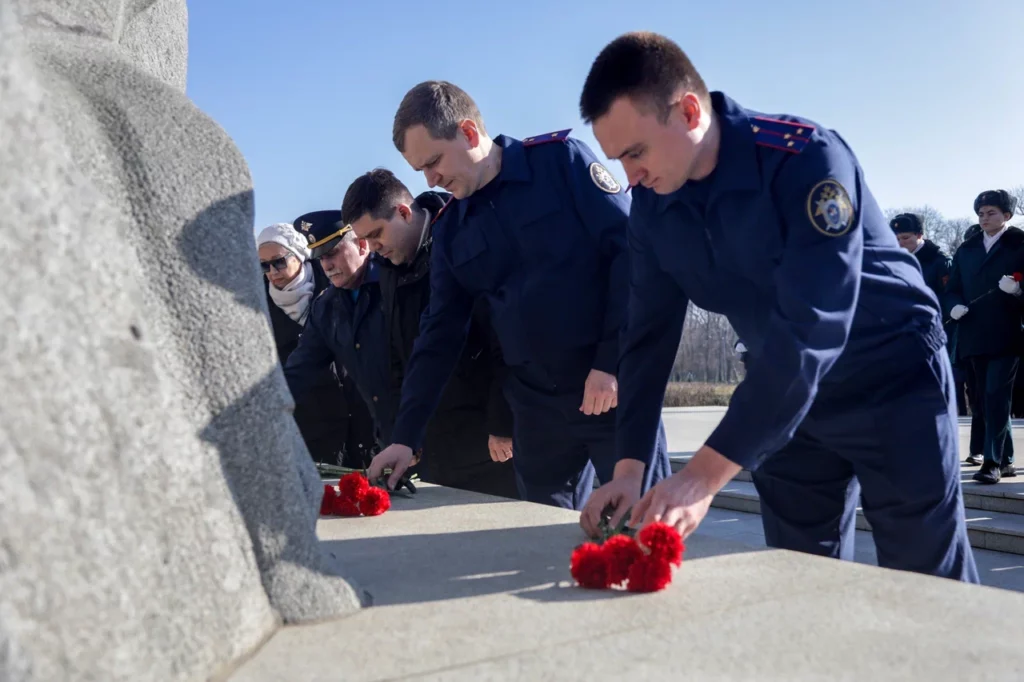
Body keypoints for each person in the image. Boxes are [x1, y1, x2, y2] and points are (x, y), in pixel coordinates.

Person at [578, 31, 977, 582]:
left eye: (636, 152)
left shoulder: (804, 158)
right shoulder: (652, 206)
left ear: (689, 111)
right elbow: (646, 337)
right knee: (797, 578)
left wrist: (701, 476)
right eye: (618, 159)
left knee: (929, 584)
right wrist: (629, 470)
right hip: (782, 403)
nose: (630, 176)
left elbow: (812, 331)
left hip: (892, 378)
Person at [367, 80, 670, 517]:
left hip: (610, 390)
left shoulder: (560, 164)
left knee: (644, 522)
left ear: (469, 133)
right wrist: (405, 435)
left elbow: (632, 257)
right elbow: (439, 336)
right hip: (537, 412)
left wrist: (612, 361)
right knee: (543, 537)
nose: (430, 180)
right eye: (421, 171)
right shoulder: (452, 231)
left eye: (433, 161)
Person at [340, 169, 519, 498]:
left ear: (404, 213)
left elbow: (503, 339)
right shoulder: (390, 268)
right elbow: (401, 356)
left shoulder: (461, 240)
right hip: (436, 440)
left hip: (487, 437)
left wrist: (502, 422)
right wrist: (404, 435)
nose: (374, 248)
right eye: (365, 240)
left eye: (377, 234)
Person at [282, 210, 388, 468]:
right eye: (319, 258)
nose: (326, 265)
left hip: (429, 428)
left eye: (332, 253)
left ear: (362, 244)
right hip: (381, 439)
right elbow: (300, 368)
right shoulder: (325, 307)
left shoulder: (394, 284)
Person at [257, 222, 354, 466]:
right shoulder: (255, 304)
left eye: (279, 261)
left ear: (299, 255)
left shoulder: (335, 283)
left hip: (356, 411)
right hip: (309, 422)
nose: (272, 271)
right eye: (264, 265)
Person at [944, 190, 1024, 484]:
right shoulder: (967, 249)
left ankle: (991, 461)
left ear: (1006, 216)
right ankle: (1007, 460)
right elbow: (953, 287)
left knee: (995, 395)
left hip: (1007, 334)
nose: (984, 218)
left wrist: (1017, 291)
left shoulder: (1019, 245)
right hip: (973, 333)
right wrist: (952, 306)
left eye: (991, 212)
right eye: (980, 213)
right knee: (987, 399)